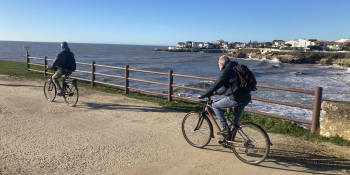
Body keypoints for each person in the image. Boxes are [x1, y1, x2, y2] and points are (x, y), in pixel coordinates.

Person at [197, 55, 251, 135]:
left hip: (236, 98)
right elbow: (232, 87)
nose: (219, 66)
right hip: (246, 97)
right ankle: (230, 140)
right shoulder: (235, 69)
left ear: (221, 64)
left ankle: (225, 127)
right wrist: (218, 93)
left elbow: (216, 85)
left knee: (215, 105)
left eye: (218, 64)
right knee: (234, 122)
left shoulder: (226, 71)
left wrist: (203, 95)